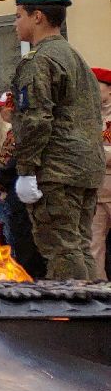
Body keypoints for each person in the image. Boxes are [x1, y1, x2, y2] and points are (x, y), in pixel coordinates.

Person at [7, 0, 106, 282]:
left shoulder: (39, 60)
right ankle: (94, 316)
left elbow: (35, 119)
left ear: (37, 17)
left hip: (56, 171)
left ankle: (72, 320)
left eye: (18, 16)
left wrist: (25, 171)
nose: (15, 23)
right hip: (85, 167)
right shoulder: (75, 57)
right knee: (79, 247)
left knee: (61, 250)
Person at [91, 66, 111, 280]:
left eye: (95, 86)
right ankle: (97, 295)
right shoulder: (88, 117)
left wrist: (95, 154)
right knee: (93, 247)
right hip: (95, 192)